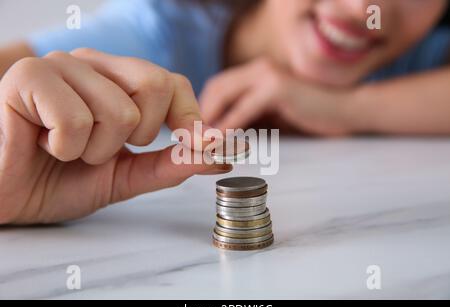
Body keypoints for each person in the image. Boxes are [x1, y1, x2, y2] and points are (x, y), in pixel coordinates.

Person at [0, 0, 449, 225]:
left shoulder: (419, 56)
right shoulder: (161, 30)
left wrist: (348, 109)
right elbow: (15, 73)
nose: (361, 9)